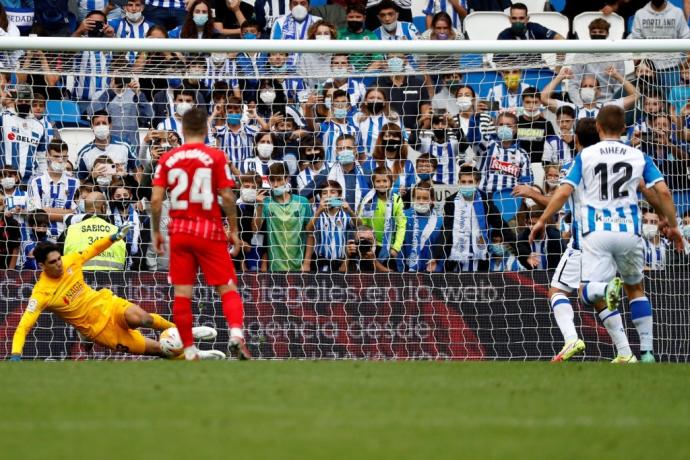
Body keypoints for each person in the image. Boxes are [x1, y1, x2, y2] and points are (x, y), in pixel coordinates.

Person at [530, 105, 684, 363]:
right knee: (633, 290)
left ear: (581, 137)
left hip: (591, 236)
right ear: (623, 127)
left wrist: (541, 219)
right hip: (629, 232)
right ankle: (637, 353)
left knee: (572, 291)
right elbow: (656, 192)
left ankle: (573, 338)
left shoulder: (581, 160)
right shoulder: (636, 156)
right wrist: (671, 221)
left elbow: (562, 195)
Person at [9, 225, 225, 360]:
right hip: (101, 331)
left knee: (144, 318)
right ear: (41, 266)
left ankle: (186, 331)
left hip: (108, 304)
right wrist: (16, 355)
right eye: (53, 263)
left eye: (59, 259)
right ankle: (196, 355)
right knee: (161, 349)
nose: (59, 265)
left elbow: (92, 250)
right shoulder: (41, 293)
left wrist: (114, 237)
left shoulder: (70, 260)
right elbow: (24, 326)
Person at [151, 107, 250, 361]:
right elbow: (228, 196)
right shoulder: (215, 156)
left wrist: (155, 232)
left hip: (180, 232)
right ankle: (236, 335)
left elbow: (155, 200)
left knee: (183, 294)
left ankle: (190, 350)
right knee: (227, 288)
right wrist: (234, 231)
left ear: (182, 130)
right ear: (206, 130)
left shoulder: (168, 159)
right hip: (209, 230)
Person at [253, 162, 314, 272]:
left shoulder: (302, 202)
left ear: (287, 179)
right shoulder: (265, 203)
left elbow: (310, 234)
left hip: (299, 267)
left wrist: (307, 263)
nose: (275, 184)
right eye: (272, 180)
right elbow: (255, 230)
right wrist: (259, 207)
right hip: (275, 268)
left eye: (279, 179)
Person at [628, 0, 690, 88]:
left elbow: (686, 38)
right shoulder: (640, 14)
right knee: (648, 100)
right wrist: (639, 63)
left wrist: (681, 63)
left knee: (670, 100)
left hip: (671, 68)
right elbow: (636, 41)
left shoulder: (677, 12)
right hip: (648, 69)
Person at [541, 67, 639, 121]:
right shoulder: (571, 109)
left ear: (599, 91)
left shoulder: (608, 108)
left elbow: (635, 95)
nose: (587, 88)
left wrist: (617, 76)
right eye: (585, 86)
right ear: (579, 91)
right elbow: (543, 98)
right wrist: (560, 77)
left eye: (591, 86)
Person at [357, 167, 407, 272]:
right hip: (371, 246)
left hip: (390, 246)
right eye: (378, 181)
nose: (382, 184)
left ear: (391, 182)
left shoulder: (397, 200)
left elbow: (401, 226)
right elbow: (363, 225)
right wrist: (366, 244)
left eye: (385, 181)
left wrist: (396, 248)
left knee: (389, 278)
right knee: (368, 276)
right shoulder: (368, 200)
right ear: (373, 183)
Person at [28, 141, 79, 241]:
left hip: (67, 238)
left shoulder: (75, 182)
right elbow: (35, 214)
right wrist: (66, 213)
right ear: (47, 155)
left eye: (64, 157)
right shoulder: (35, 181)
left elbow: (75, 215)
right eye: (56, 156)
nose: (60, 160)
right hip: (41, 238)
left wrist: (46, 210)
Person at [307, 179, 359, 273]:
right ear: (321, 197)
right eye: (324, 193)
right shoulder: (318, 214)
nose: (329, 195)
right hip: (321, 263)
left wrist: (350, 211)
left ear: (339, 196)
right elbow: (309, 230)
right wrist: (318, 211)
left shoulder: (345, 214)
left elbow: (359, 225)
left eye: (333, 192)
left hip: (341, 263)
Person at [0, 84, 47, 184]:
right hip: (5, 178)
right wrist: (2, 103)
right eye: (21, 101)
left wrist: (43, 179)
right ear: (15, 101)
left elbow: (42, 157)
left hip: (28, 181)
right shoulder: (4, 118)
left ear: (31, 102)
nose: (24, 103)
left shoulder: (39, 126)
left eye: (27, 101)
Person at [76, 111, 138, 181]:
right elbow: (80, 181)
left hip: (121, 189)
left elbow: (138, 170)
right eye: (97, 124)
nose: (101, 126)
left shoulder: (125, 145)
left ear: (110, 125)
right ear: (91, 127)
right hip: (96, 190)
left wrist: (126, 175)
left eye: (104, 123)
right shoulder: (84, 153)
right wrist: (92, 177)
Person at [401, 183, 443, 272]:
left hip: (430, 270)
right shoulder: (403, 216)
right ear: (413, 199)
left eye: (425, 198)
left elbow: (442, 248)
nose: (421, 201)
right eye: (418, 198)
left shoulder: (440, 220)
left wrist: (438, 268)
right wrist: (400, 269)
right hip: (406, 269)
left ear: (432, 200)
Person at [497, 2, 564, 40]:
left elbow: (560, 39)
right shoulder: (503, 36)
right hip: (515, 65)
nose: (518, 21)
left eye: (521, 18)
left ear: (527, 19)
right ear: (510, 19)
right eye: (514, 18)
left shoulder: (534, 28)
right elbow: (499, 63)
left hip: (538, 64)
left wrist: (558, 65)